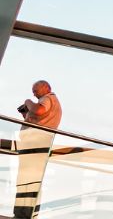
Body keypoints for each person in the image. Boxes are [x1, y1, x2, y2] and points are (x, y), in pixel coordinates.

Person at [14, 80, 61, 219]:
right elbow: (39, 115)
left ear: (46, 87)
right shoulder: (51, 101)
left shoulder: (47, 98)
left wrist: (28, 102)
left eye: (35, 90)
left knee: (25, 179)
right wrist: (27, 115)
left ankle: (22, 214)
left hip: (34, 143)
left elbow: (39, 110)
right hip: (39, 143)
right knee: (31, 180)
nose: (33, 94)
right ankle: (27, 213)